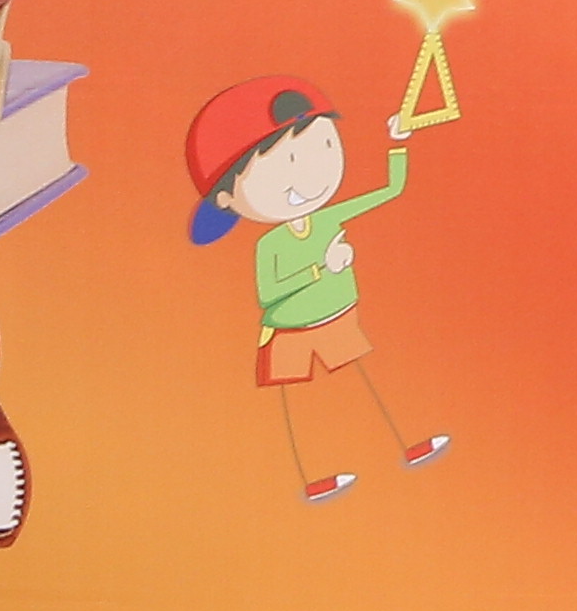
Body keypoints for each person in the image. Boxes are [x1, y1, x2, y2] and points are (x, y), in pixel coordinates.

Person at [184, 80, 455, 502]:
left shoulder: (327, 218)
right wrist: (322, 266)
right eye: (289, 161)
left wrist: (398, 142)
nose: (312, 177)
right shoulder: (270, 244)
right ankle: (314, 477)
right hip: (290, 329)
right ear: (226, 198)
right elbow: (269, 294)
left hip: (336, 315)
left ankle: (409, 443)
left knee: (366, 380)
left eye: (326, 148)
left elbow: (391, 190)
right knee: (297, 403)